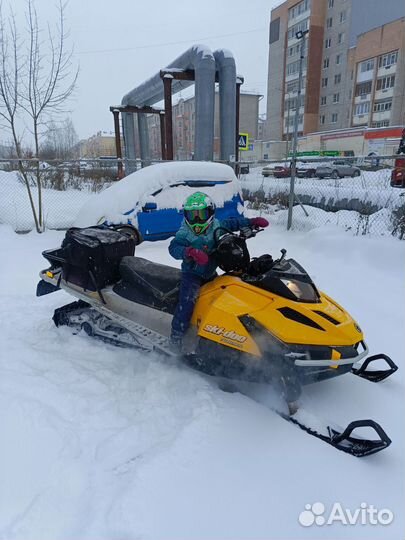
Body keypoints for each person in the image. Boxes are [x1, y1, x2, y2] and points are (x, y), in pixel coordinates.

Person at [168, 192, 269, 347]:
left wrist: (252, 221)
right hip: (192, 273)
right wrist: (190, 252)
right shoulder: (185, 232)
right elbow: (174, 247)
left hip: (210, 272)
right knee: (187, 302)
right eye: (191, 215)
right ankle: (176, 335)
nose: (196, 220)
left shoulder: (217, 225)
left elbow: (233, 223)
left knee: (222, 297)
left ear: (210, 213)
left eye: (200, 215)